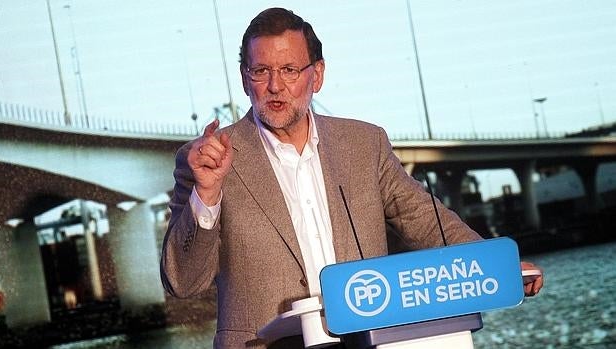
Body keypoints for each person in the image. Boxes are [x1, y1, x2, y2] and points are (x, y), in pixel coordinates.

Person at [160, 7, 543, 348]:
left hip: (372, 340)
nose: (275, 85)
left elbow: (427, 222)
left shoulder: (364, 143)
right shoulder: (206, 159)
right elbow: (183, 283)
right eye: (261, 71)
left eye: (290, 70)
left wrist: (497, 268)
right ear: (245, 79)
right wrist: (206, 195)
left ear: (317, 75)